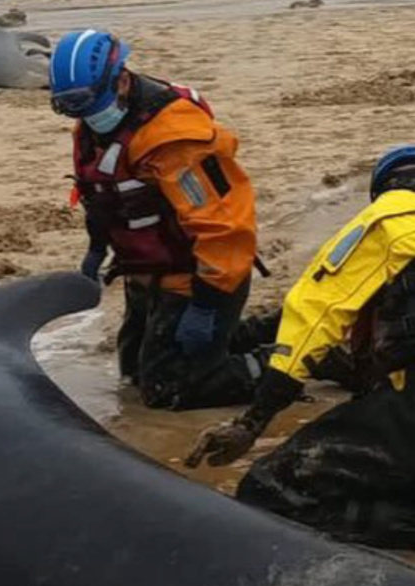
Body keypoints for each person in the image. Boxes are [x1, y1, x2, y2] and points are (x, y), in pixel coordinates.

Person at [186, 144, 415, 551]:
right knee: (399, 478)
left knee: (269, 491)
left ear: (386, 188)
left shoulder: (394, 213)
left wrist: (253, 420)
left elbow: (318, 308)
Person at [49, 29, 275, 411]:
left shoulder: (174, 141)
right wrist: (96, 249)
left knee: (169, 388)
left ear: (121, 81)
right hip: (147, 272)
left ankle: (297, 361)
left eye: (85, 102)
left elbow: (224, 226)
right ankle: (267, 332)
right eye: (66, 106)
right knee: (133, 373)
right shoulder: (92, 126)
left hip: (200, 276)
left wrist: (206, 303)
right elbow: (102, 196)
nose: (80, 114)